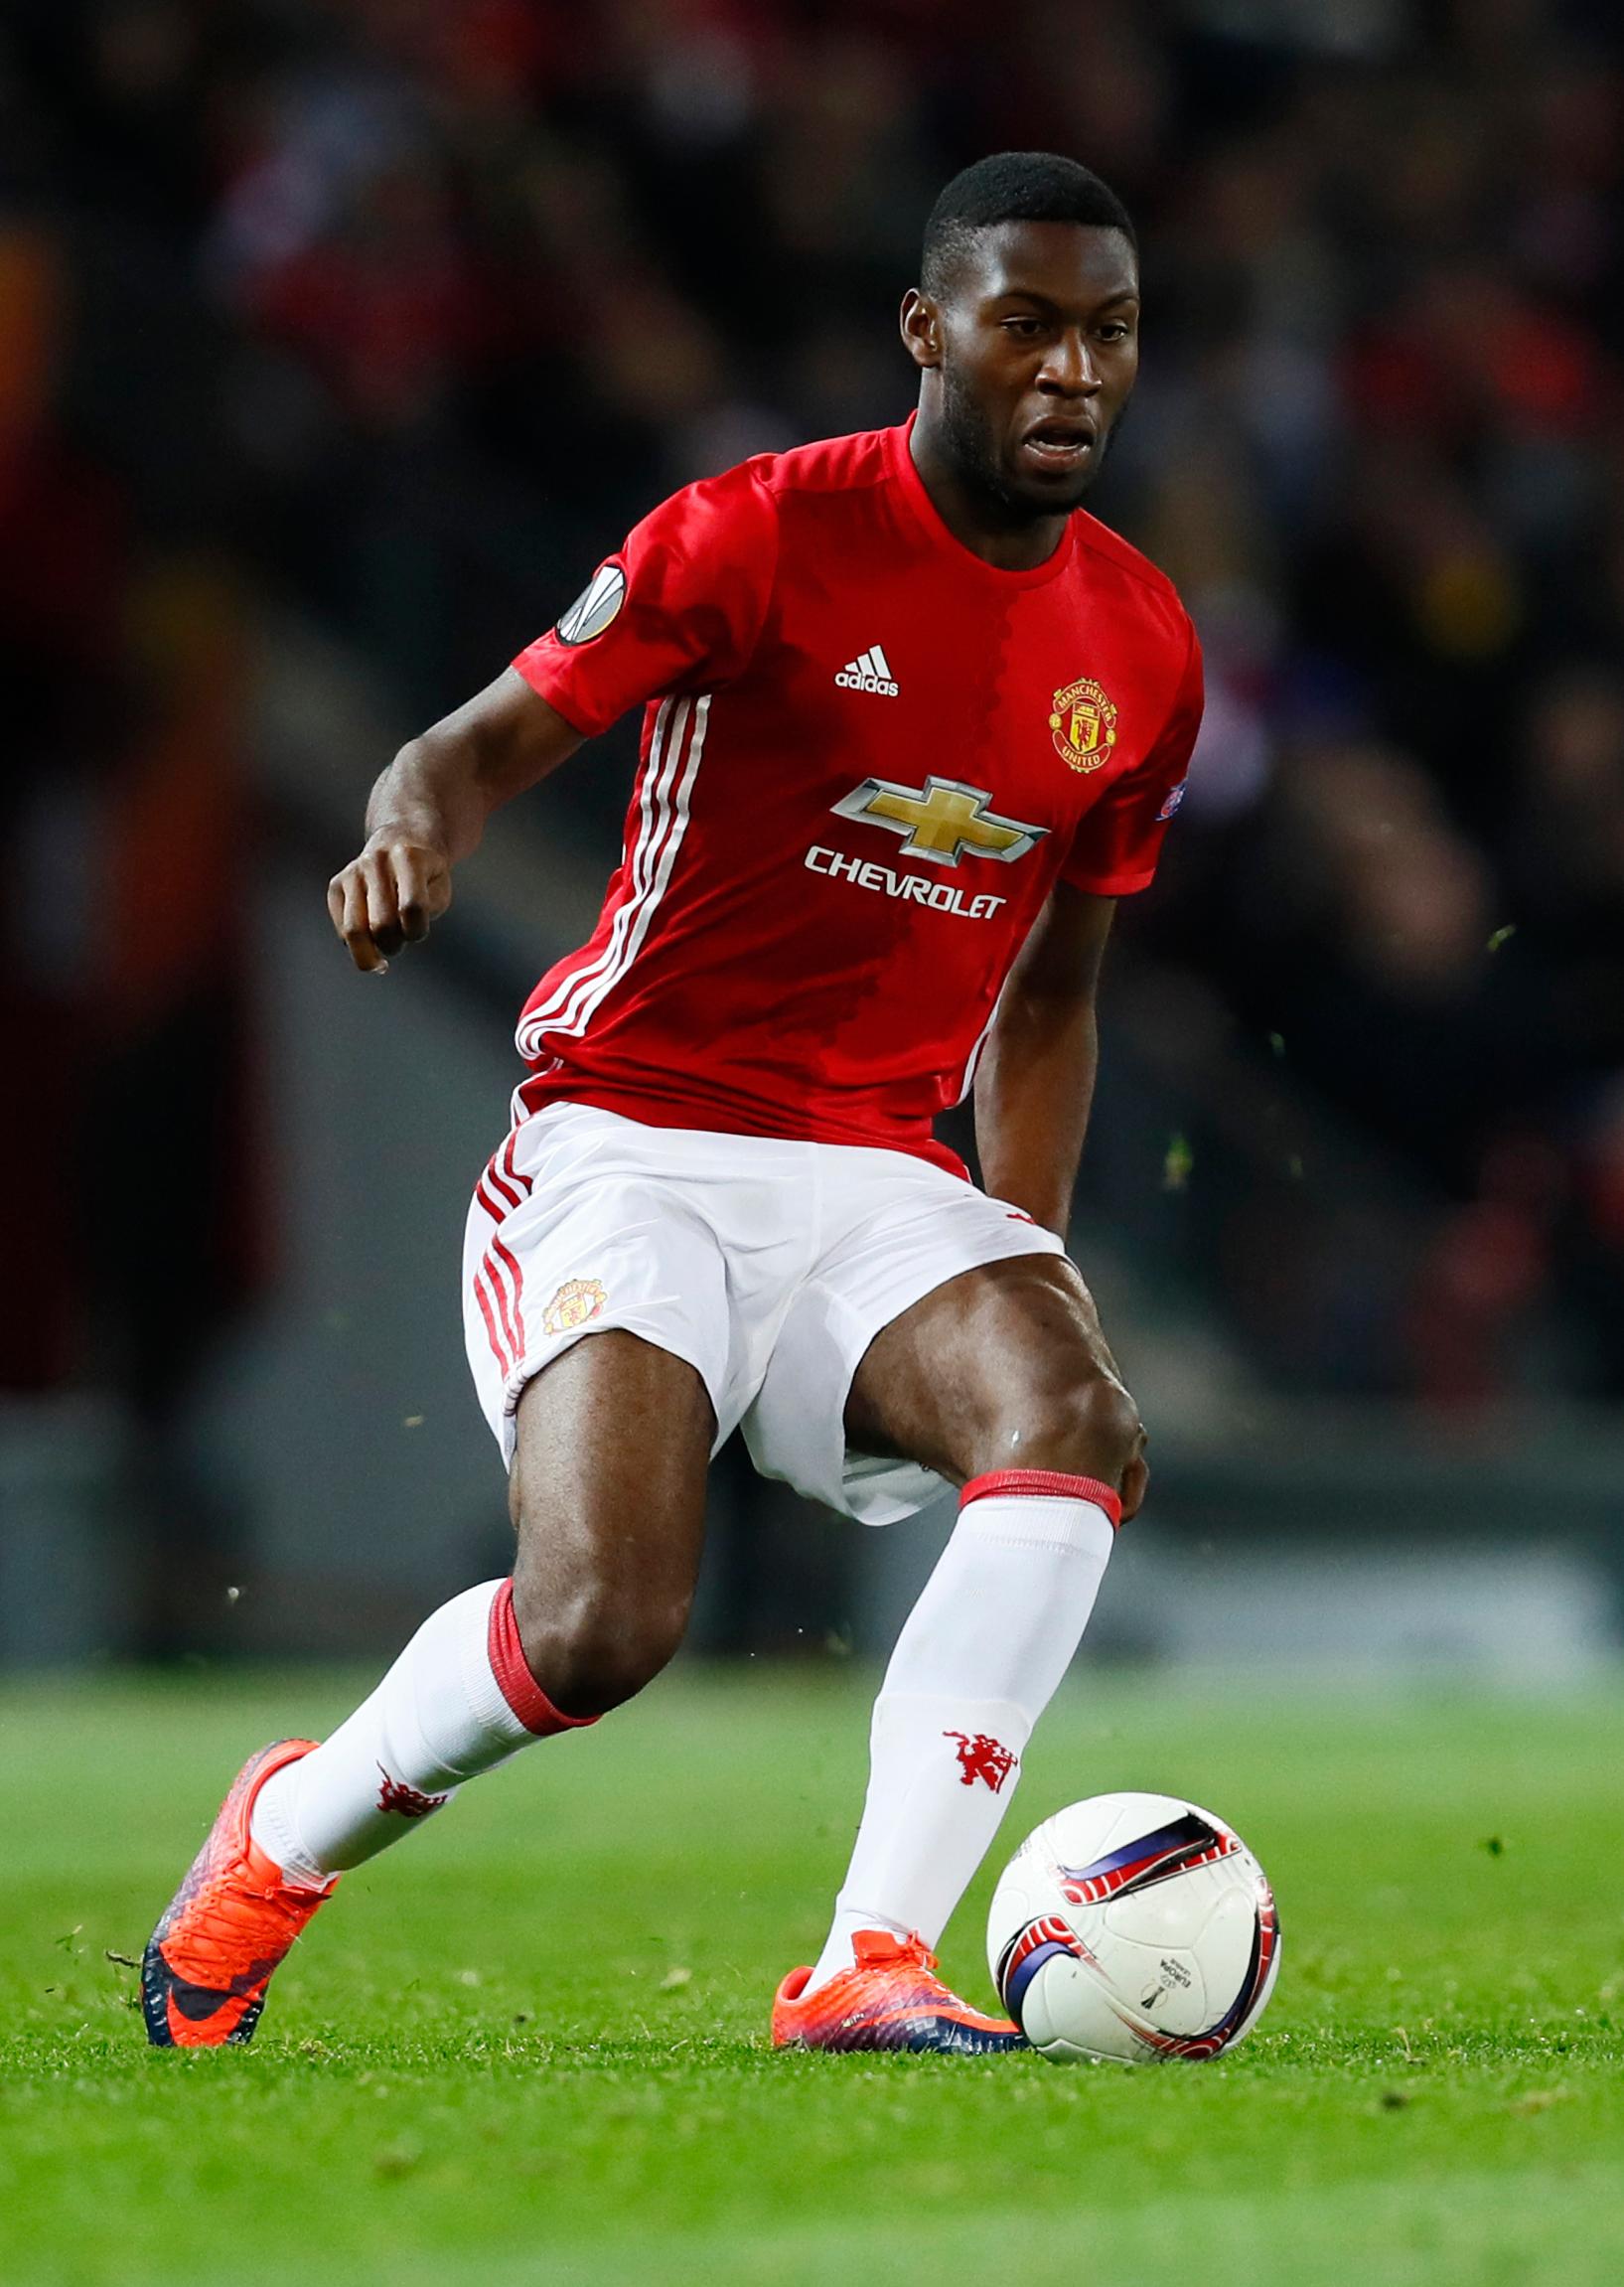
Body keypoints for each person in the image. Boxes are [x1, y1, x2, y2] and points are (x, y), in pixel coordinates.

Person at [142, 151, 1203, 2055]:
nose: (1072, 372)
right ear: (927, 329)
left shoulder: (1142, 645)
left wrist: (1020, 1255)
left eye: (1108, 333)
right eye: (1028, 325)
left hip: (878, 1169)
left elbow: (1056, 990)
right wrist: (410, 839)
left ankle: (870, 1957)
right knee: (600, 1627)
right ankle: (283, 1833)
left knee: (1070, 1422)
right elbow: (459, 750)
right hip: (632, 1134)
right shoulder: (755, 532)